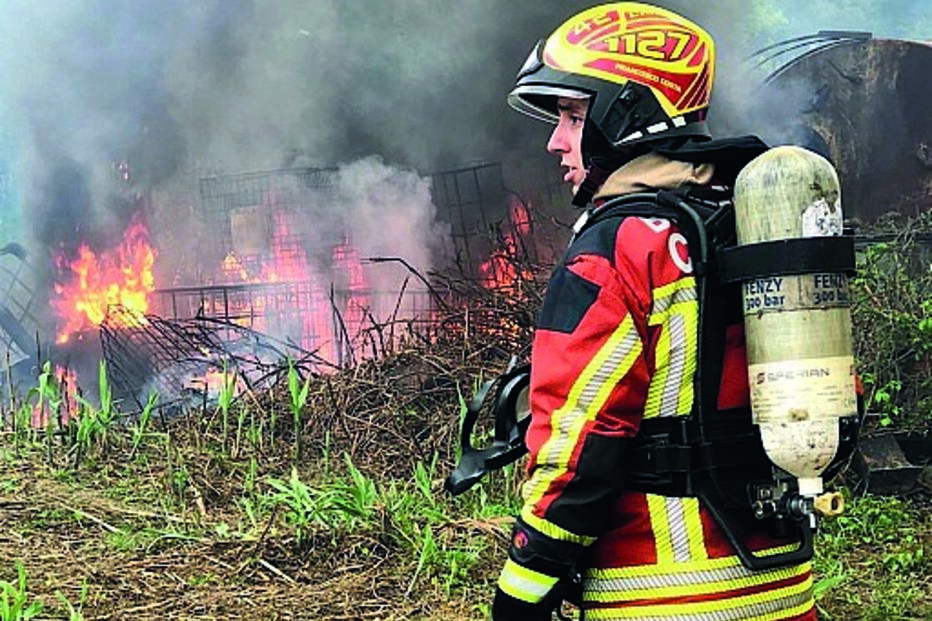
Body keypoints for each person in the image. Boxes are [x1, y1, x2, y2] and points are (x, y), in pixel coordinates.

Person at [493, 3, 818, 620]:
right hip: (782, 586)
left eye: (571, 114)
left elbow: (582, 436)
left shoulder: (619, 248)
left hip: (662, 595)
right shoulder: (745, 225)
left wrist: (526, 583)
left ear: (625, 115)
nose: (555, 139)